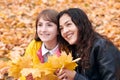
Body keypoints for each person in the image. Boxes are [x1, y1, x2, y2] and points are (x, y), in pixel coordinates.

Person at [56, 8, 120, 80]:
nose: (64, 31)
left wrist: (75, 77)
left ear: (81, 24)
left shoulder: (103, 47)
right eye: (61, 28)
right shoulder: (75, 50)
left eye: (68, 24)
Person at [24, 9, 69, 80]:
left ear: (58, 30)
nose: (43, 29)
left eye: (49, 25)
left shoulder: (66, 51)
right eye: (40, 25)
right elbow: (23, 71)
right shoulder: (33, 46)